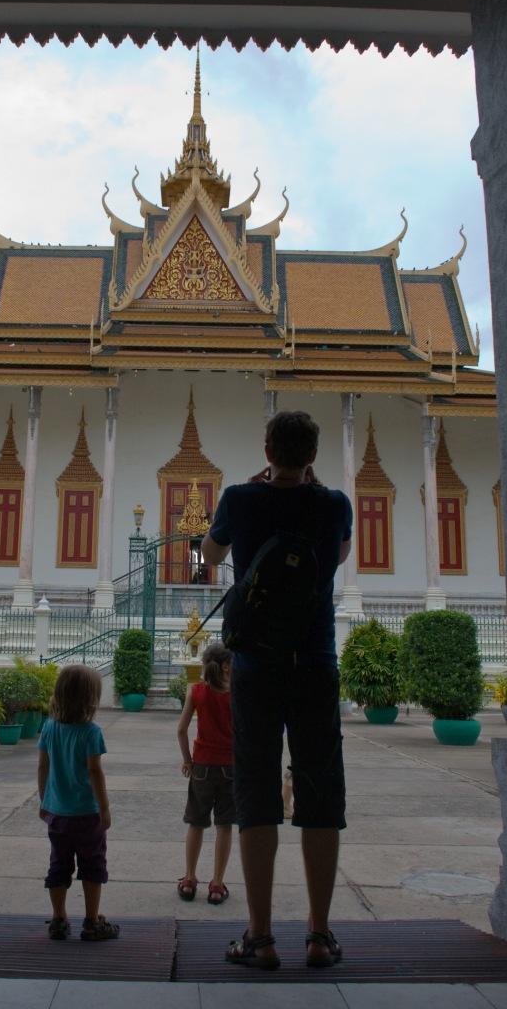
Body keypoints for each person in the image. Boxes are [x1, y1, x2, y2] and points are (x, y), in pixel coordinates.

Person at [201, 410, 352, 970]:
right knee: (319, 793)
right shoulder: (334, 505)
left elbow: (210, 556)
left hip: (255, 666)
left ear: (267, 449)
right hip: (314, 662)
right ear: (312, 454)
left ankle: (260, 936)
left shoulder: (240, 499)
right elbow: (335, 559)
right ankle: (318, 933)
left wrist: (256, 498)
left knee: (257, 793)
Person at [37, 663, 120, 942]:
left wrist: (44, 800)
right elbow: (95, 772)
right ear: (90, 699)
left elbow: (42, 767)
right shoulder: (91, 732)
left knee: (59, 865)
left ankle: (59, 920)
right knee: (92, 865)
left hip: (58, 814)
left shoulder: (49, 728)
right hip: (87, 814)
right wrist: (105, 808)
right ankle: (91, 921)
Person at [176, 642, 236, 906]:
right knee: (224, 826)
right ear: (226, 666)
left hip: (201, 766)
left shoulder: (196, 692)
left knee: (196, 823)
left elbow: (181, 730)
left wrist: (188, 761)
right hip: (231, 766)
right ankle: (217, 884)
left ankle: (189, 879)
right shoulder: (236, 694)